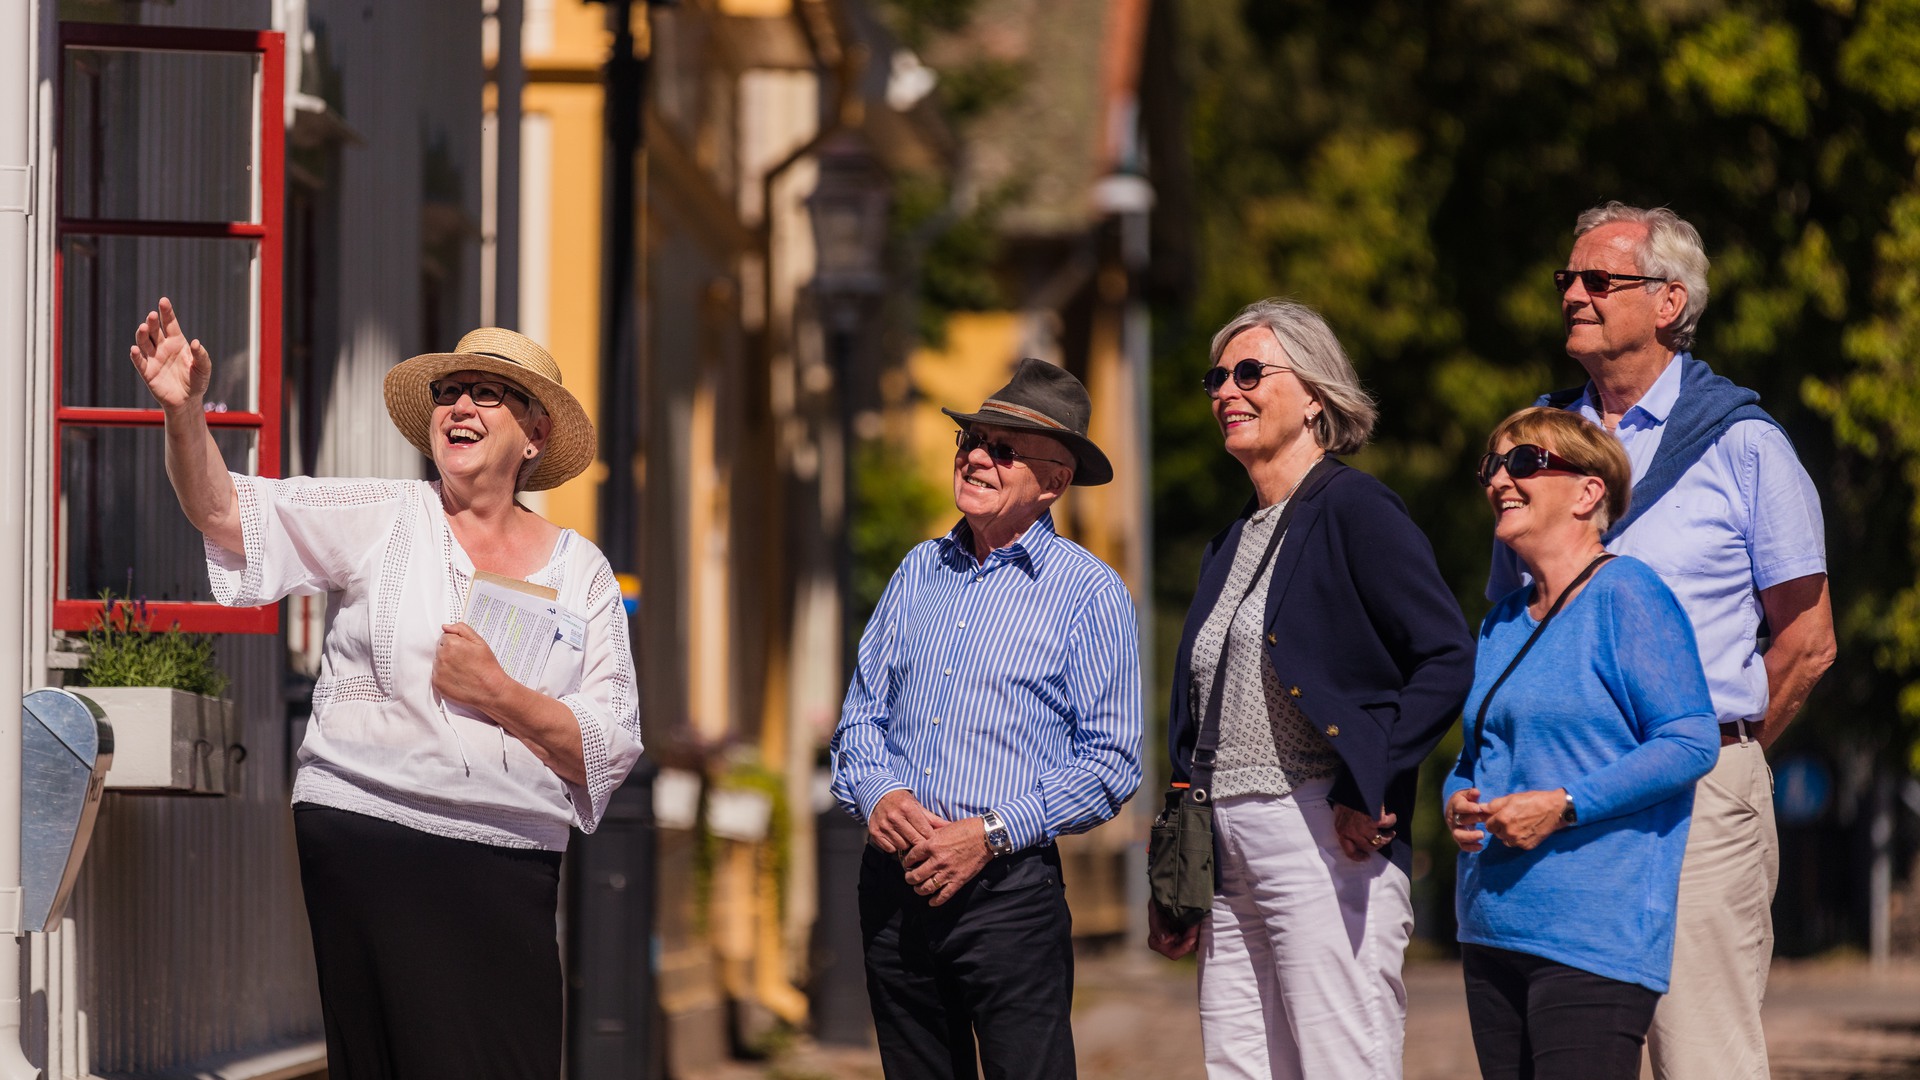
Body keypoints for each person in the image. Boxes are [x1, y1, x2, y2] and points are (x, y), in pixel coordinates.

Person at [129, 297, 643, 1079]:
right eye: (448, 392)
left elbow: (606, 749)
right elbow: (227, 513)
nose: (460, 406)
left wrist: (500, 693)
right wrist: (183, 415)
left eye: (487, 394)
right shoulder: (383, 515)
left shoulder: (584, 574)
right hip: (367, 832)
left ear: (535, 435)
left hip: (507, 863)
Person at [1490, 202, 1836, 1079]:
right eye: (1566, 279)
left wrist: (1723, 755)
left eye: (1598, 280)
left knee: (1701, 1054)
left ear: (1670, 303)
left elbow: (1807, 640)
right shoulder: (1535, 447)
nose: (1573, 293)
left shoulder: (1746, 445)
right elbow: (1503, 624)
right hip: (1562, 799)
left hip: (1700, 795)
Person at [1148, 299, 1475, 1079]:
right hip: (1226, 852)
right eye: (1217, 377)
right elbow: (1202, 714)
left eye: (1252, 372)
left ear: (1316, 397)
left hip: (1319, 835)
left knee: (1340, 1064)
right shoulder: (1232, 539)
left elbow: (1444, 655)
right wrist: (1179, 866)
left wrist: (1374, 781)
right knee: (1241, 1066)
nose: (1228, 389)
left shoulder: (1356, 509)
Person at [829, 358, 1142, 1080]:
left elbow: (1110, 761)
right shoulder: (918, 570)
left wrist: (989, 834)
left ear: (1053, 482)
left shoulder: (1088, 593)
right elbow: (860, 717)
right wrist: (879, 793)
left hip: (1007, 896)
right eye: (971, 438)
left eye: (1003, 449)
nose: (974, 456)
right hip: (896, 886)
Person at [1449, 407, 1720, 1079]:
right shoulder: (1501, 623)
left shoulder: (1628, 595)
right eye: (1493, 467)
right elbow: (1470, 755)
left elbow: (1690, 740)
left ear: (1588, 492)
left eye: (1524, 464)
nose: (1500, 480)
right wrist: (1460, 800)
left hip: (1592, 941)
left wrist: (1564, 804)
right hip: (1491, 930)